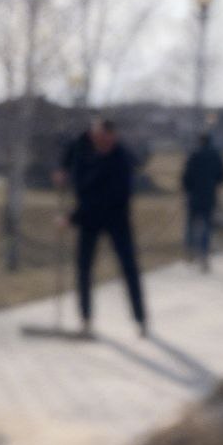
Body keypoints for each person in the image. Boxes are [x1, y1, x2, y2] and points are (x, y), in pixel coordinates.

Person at [56, 118, 148, 338]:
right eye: (95, 137)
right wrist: (63, 169)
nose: (97, 141)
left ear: (112, 137)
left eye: (101, 138)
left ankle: (140, 318)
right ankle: (85, 318)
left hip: (115, 218)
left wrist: (72, 218)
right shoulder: (87, 147)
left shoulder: (121, 161)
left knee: (129, 267)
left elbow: (102, 199)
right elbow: (74, 146)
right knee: (83, 268)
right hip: (89, 220)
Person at [182, 132, 223, 272]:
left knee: (191, 223)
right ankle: (204, 254)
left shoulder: (194, 155)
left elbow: (186, 176)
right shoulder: (215, 155)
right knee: (207, 225)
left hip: (194, 195)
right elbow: (222, 176)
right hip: (209, 195)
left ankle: (190, 249)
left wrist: (188, 188)